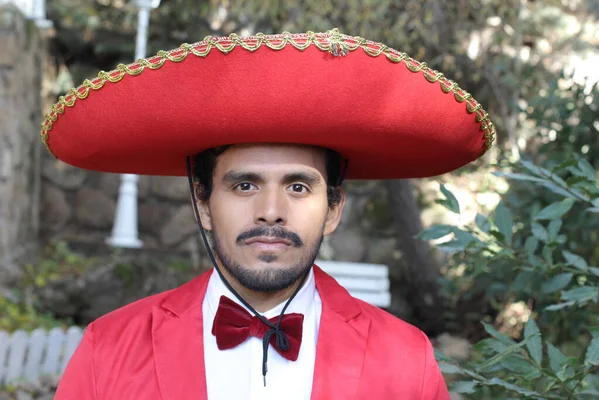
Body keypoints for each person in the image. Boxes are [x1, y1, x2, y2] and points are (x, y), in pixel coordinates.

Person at [44, 29, 495, 399]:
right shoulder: (111, 347)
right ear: (202, 204)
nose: (271, 213)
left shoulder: (405, 358)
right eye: (244, 186)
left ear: (333, 209)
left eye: (298, 187)